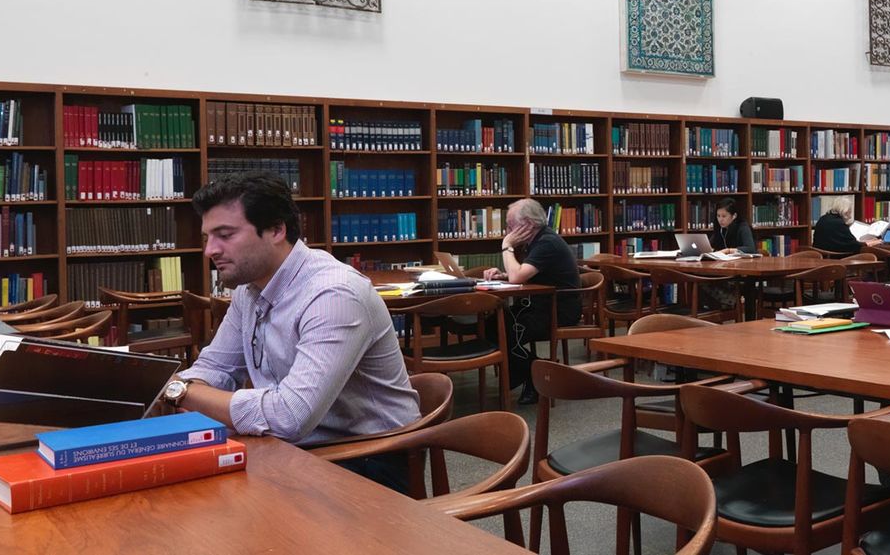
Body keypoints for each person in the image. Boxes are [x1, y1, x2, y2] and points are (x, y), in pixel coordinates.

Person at [165, 172, 419, 491]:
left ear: (275, 229)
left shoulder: (334, 294)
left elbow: (289, 416)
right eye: (207, 238)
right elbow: (215, 367)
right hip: (291, 448)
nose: (209, 251)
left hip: (369, 459)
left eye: (225, 235)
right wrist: (193, 388)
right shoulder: (250, 289)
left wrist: (181, 390)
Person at [481, 199, 581, 404]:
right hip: (539, 305)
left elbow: (518, 277)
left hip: (559, 310)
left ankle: (534, 374)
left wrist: (507, 247)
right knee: (493, 325)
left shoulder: (547, 242)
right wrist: (502, 275)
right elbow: (525, 274)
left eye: (510, 225)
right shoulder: (536, 241)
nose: (507, 230)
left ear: (527, 224)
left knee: (508, 329)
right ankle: (533, 372)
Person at [812, 195, 880, 255]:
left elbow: (844, 242)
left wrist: (864, 242)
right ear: (844, 211)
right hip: (838, 258)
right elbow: (852, 245)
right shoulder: (839, 223)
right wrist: (869, 243)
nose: (850, 216)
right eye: (849, 212)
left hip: (821, 256)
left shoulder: (823, 218)